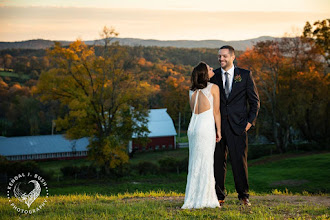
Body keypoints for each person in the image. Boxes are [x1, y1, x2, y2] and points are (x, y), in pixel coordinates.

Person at [210, 45, 260, 208]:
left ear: (233, 57)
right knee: (218, 162)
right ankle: (219, 196)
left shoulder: (244, 75)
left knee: (239, 162)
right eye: (219, 56)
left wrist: (249, 123)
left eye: (224, 56)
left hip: (238, 127)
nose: (221, 59)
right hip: (217, 127)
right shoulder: (214, 76)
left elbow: (254, 102)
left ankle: (243, 196)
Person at [182, 61, 221, 209]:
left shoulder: (191, 91)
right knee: (205, 162)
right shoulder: (213, 88)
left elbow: (194, 111)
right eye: (210, 69)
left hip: (193, 127)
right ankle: (205, 198)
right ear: (205, 74)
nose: (212, 70)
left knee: (194, 162)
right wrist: (219, 131)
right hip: (205, 128)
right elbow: (216, 112)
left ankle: (192, 197)